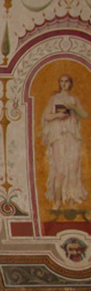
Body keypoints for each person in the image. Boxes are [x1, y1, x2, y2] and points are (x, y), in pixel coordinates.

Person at [41, 74, 88, 209]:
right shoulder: (54, 99)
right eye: (61, 81)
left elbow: (84, 115)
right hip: (59, 136)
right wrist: (57, 115)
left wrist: (73, 108)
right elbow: (46, 116)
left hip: (72, 137)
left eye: (66, 81)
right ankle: (57, 201)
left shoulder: (74, 99)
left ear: (70, 83)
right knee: (60, 170)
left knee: (73, 169)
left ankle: (71, 202)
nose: (64, 84)